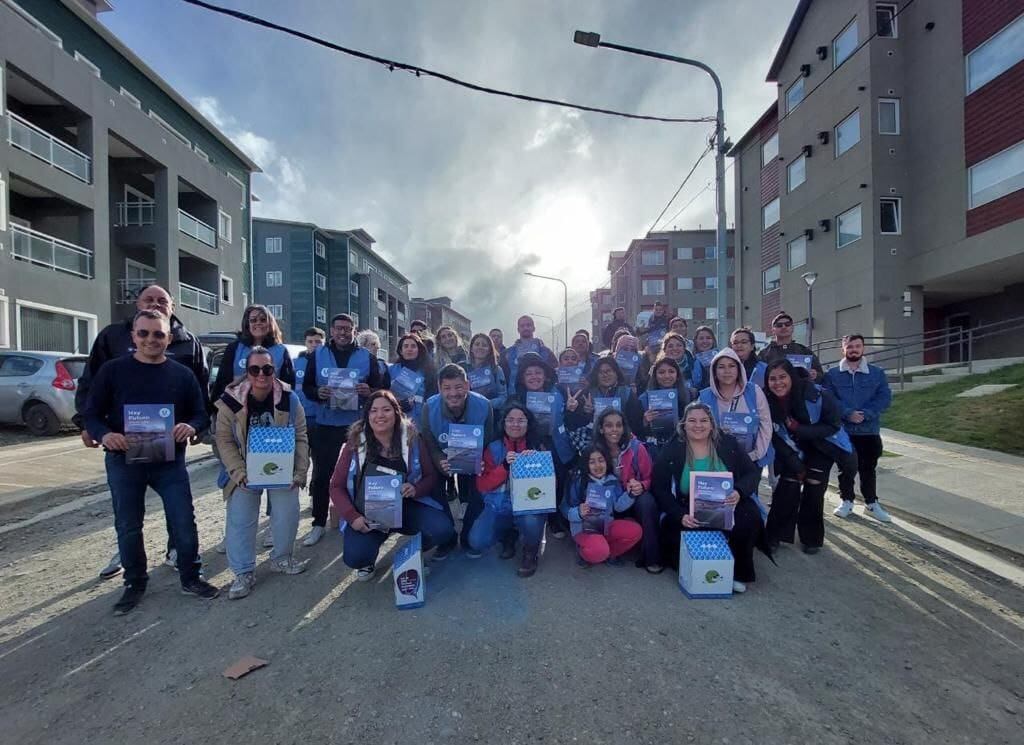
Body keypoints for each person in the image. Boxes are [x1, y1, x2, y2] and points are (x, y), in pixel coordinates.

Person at [84, 310, 218, 613]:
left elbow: (200, 413)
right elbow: (91, 414)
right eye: (143, 333)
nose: (150, 339)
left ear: (168, 338)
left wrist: (192, 426)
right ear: (133, 335)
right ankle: (134, 582)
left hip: (168, 461)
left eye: (158, 334)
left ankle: (190, 576)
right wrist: (105, 434)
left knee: (183, 519)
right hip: (123, 461)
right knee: (129, 525)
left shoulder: (181, 374)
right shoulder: (113, 371)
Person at [214, 347, 311, 600]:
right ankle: (243, 572)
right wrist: (238, 471)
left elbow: (300, 436)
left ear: (273, 370)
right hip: (245, 469)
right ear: (246, 372)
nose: (261, 374)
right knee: (240, 519)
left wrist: (300, 473)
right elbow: (223, 440)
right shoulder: (230, 401)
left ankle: (281, 558)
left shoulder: (290, 398)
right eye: (254, 369)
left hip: (281, 468)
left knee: (287, 513)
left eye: (267, 369)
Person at [331, 391, 455, 579]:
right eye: (374, 411)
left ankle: (411, 554)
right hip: (368, 513)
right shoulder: (355, 443)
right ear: (367, 416)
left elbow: (430, 476)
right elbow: (336, 486)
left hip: (407, 507)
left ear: (396, 413)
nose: (380, 415)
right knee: (355, 557)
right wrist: (352, 517)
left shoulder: (412, 438)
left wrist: (416, 489)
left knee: (442, 529)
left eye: (386, 410)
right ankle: (368, 560)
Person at [651, 402, 766, 593]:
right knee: (678, 536)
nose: (698, 425)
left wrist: (738, 491)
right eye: (692, 421)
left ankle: (739, 572)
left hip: (729, 502)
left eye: (704, 420)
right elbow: (659, 487)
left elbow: (751, 474)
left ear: (712, 424)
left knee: (749, 517)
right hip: (688, 506)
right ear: (684, 424)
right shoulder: (674, 448)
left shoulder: (727, 443)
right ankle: (709, 566)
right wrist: (679, 514)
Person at [302, 313, 383, 546]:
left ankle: (363, 518)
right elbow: (307, 387)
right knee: (322, 474)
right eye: (338, 328)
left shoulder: (366, 357)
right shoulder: (318, 355)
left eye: (347, 329)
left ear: (354, 331)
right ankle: (318, 522)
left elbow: (380, 387)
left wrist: (369, 390)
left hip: (356, 424)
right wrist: (318, 393)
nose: (343, 332)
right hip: (326, 423)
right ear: (332, 330)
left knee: (361, 472)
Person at [763, 359, 856, 554]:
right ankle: (774, 535)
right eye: (772, 379)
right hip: (790, 447)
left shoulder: (816, 394)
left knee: (814, 488)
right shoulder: (766, 401)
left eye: (782, 377)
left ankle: (811, 538)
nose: (778, 383)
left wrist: (800, 429)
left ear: (792, 377)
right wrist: (796, 464)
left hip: (822, 445)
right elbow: (774, 436)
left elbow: (833, 425)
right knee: (787, 485)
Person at [420, 364, 495, 558]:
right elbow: (428, 441)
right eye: (447, 388)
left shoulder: (485, 405)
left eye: (458, 387)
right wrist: (439, 461)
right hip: (442, 456)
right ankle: (448, 538)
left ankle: (468, 533)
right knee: (434, 485)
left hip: (473, 457)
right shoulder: (429, 406)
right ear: (439, 388)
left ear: (468, 385)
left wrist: (481, 459)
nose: (453, 393)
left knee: (478, 488)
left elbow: (489, 439)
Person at [470, 404, 549, 576]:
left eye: (521, 420)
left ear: (528, 424)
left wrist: (535, 466)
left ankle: (530, 550)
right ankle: (509, 535)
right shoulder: (492, 448)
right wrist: (505, 466)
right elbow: (482, 485)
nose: (515, 424)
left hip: (528, 505)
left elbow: (549, 488)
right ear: (503, 423)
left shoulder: (538, 447)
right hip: (499, 505)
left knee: (531, 523)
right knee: (477, 540)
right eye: (511, 420)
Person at [823, 334, 893, 522]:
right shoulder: (832, 375)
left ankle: (871, 503)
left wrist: (866, 414)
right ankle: (846, 501)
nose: (853, 349)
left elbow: (884, 398)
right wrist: (847, 413)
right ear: (843, 349)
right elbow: (829, 399)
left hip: (869, 431)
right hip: (844, 432)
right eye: (849, 346)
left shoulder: (876, 373)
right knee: (845, 469)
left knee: (868, 468)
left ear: (863, 348)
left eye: (857, 346)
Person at [513, 352, 576, 537]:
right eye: (529, 374)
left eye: (538, 372)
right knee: (539, 484)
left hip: (559, 444)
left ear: (545, 375)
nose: (534, 377)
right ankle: (540, 520)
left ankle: (556, 517)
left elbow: (570, 421)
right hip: (531, 446)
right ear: (523, 378)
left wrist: (572, 408)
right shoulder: (518, 398)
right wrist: (536, 442)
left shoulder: (558, 392)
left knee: (560, 481)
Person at [590, 408, 661, 573]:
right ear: (601, 429)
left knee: (647, 502)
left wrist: (641, 485)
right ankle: (596, 547)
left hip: (632, 496)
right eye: (608, 425)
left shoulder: (637, 448)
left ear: (624, 428)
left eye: (618, 425)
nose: (614, 430)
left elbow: (650, 477)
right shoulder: (594, 449)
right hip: (608, 499)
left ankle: (651, 557)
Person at [698, 349, 774, 490]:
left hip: (751, 460)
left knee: (747, 502)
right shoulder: (704, 397)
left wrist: (756, 454)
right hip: (717, 462)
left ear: (739, 369)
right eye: (721, 367)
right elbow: (698, 429)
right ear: (714, 371)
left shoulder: (754, 391)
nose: (727, 371)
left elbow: (765, 424)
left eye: (732, 366)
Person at [564, 447, 643, 566]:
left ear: (607, 461)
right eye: (592, 462)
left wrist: (630, 495)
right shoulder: (579, 482)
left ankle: (610, 554)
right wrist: (579, 513)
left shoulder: (612, 480)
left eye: (601, 460)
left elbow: (618, 507)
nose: (598, 465)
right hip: (584, 529)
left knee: (635, 531)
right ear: (586, 464)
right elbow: (566, 509)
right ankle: (584, 553)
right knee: (599, 550)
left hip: (607, 525)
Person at [210, 305, 295, 406]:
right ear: (247, 324)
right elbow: (221, 383)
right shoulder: (234, 348)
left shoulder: (282, 351)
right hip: (237, 410)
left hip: (270, 411)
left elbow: (288, 387)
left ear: (270, 323)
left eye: (263, 320)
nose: (258, 323)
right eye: (253, 320)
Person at [567, 357, 643, 438]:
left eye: (608, 371)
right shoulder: (587, 394)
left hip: (621, 440)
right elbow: (574, 425)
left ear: (616, 373)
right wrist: (584, 413)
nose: (605, 375)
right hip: (595, 441)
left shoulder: (627, 393)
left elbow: (635, 424)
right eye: (600, 372)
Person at [638, 355, 694, 461]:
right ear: (655, 375)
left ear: (677, 375)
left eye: (671, 371)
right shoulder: (644, 399)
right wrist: (644, 421)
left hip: (683, 448)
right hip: (655, 450)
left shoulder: (690, 395)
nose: (667, 376)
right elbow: (637, 432)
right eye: (661, 372)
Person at [758, 312, 824, 381]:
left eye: (787, 324)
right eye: (779, 325)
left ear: (792, 328)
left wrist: (815, 375)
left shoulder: (804, 351)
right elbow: (759, 379)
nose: (784, 327)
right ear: (773, 330)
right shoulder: (764, 354)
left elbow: (821, 376)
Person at [389, 332, 438, 423]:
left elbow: (433, 400)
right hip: (395, 420)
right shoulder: (390, 370)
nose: (409, 349)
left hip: (420, 421)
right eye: (406, 346)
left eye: (413, 346)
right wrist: (399, 405)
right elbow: (383, 395)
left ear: (419, 350)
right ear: (400, 351)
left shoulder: (428, 372)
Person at [503, 315, 558, 393]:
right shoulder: (508, 353)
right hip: (515, 397)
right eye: (522, 326)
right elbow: (502, 377)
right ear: (518, 330)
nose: (526, 328)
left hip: (542, 397)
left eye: (528, 325)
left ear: (534, 328)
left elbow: (555, 373)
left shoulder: (546, 351)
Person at [462, 332, 508, 412]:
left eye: (484, 345)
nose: (480, 347)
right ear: (471, 348)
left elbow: (503, 397)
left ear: (490, 349)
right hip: (467, 413)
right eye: (477, 344)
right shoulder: (462, 368)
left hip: (491, 414)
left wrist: (485, 404)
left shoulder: (496, 370)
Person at [689, 325, 720, 391]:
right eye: (701, 338)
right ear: (695, 341)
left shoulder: (721, 358)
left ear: (713, 340)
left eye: (708, 338)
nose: (705, 341)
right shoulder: (690, 360)